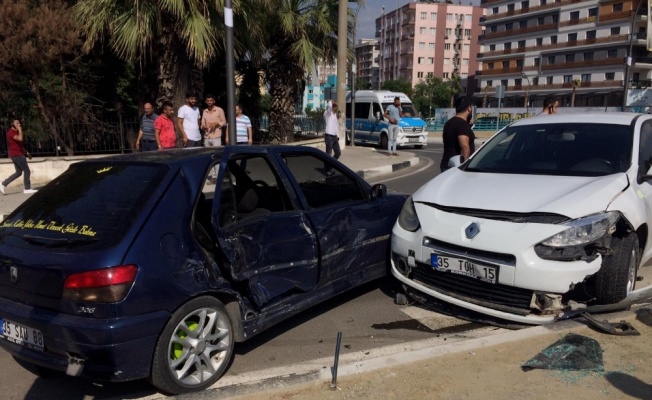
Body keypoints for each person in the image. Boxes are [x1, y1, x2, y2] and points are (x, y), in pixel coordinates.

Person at [440, 96, 476, 173]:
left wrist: (468, 126)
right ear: (469, 108)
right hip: (456, 168)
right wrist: (465, 168)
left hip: (446, 165)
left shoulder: (449, 123)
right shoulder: (462, 125)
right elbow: (465, 147)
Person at [1, 119, 36, 194]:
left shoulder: (16, 132)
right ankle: (27, 188)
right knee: (27, 170)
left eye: (19, 123)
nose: (19, 124)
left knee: (18, 172)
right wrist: (20, 129)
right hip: (17, 155)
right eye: (17, 123)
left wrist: (26, 152)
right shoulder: (10, 132)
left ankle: (3, 184)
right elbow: (20, 139)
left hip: (17, 153)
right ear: (12, 124)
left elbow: (19, 144)